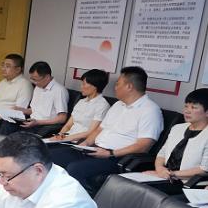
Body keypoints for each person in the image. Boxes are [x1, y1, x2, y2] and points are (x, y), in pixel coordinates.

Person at [49, 66, 162, 194]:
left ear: (129, 87)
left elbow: (143, 146)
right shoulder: (118, 105)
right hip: (94, 149)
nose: (115, 87)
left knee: (75, 169)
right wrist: (85, 144)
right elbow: (99, 130)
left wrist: (110, 153)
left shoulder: (150, 110)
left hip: (116, 157)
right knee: (52, 155)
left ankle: (76, 202)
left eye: (118, 84)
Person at [0, 61, 68, 137]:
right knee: (6, 123)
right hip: (31, 122)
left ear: (47, 77)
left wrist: (38, 122)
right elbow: (34, 110)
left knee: (12, 132)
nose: (34, 82)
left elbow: (62, 118)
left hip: (43, 126)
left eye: (36, 79)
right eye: (32, 79)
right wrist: (20, 110)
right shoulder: (38, 88)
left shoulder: (59, 91)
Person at [50, 68, 110, 142]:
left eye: (84, 84)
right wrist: (59, 135)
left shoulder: (102, 105)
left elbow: (90, 133)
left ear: (94, 86)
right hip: (67, 138)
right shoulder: (81, 102)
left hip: (79, 141)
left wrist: (66, 139)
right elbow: (68, 125)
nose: (81, 87)